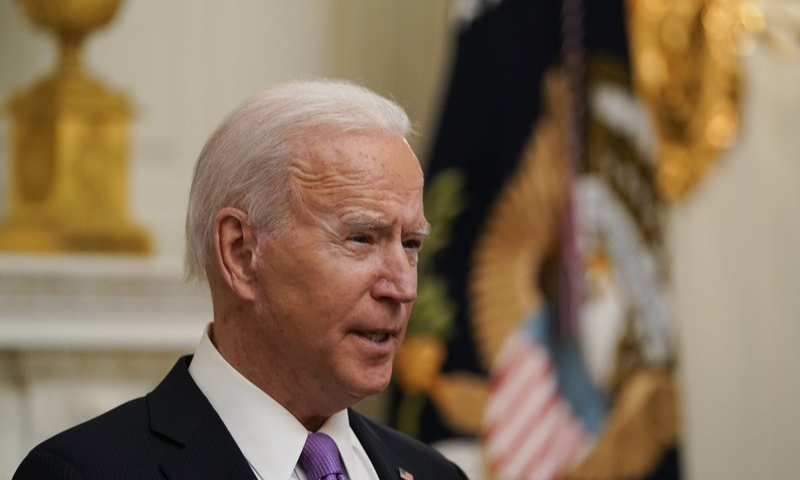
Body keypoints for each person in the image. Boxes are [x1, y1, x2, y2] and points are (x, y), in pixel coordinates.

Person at [13, 79, 469, 480]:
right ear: (240, 253)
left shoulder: (435, 473)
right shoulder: (85, 472)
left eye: (410, 244)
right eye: (361, 238)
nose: (403, 288)